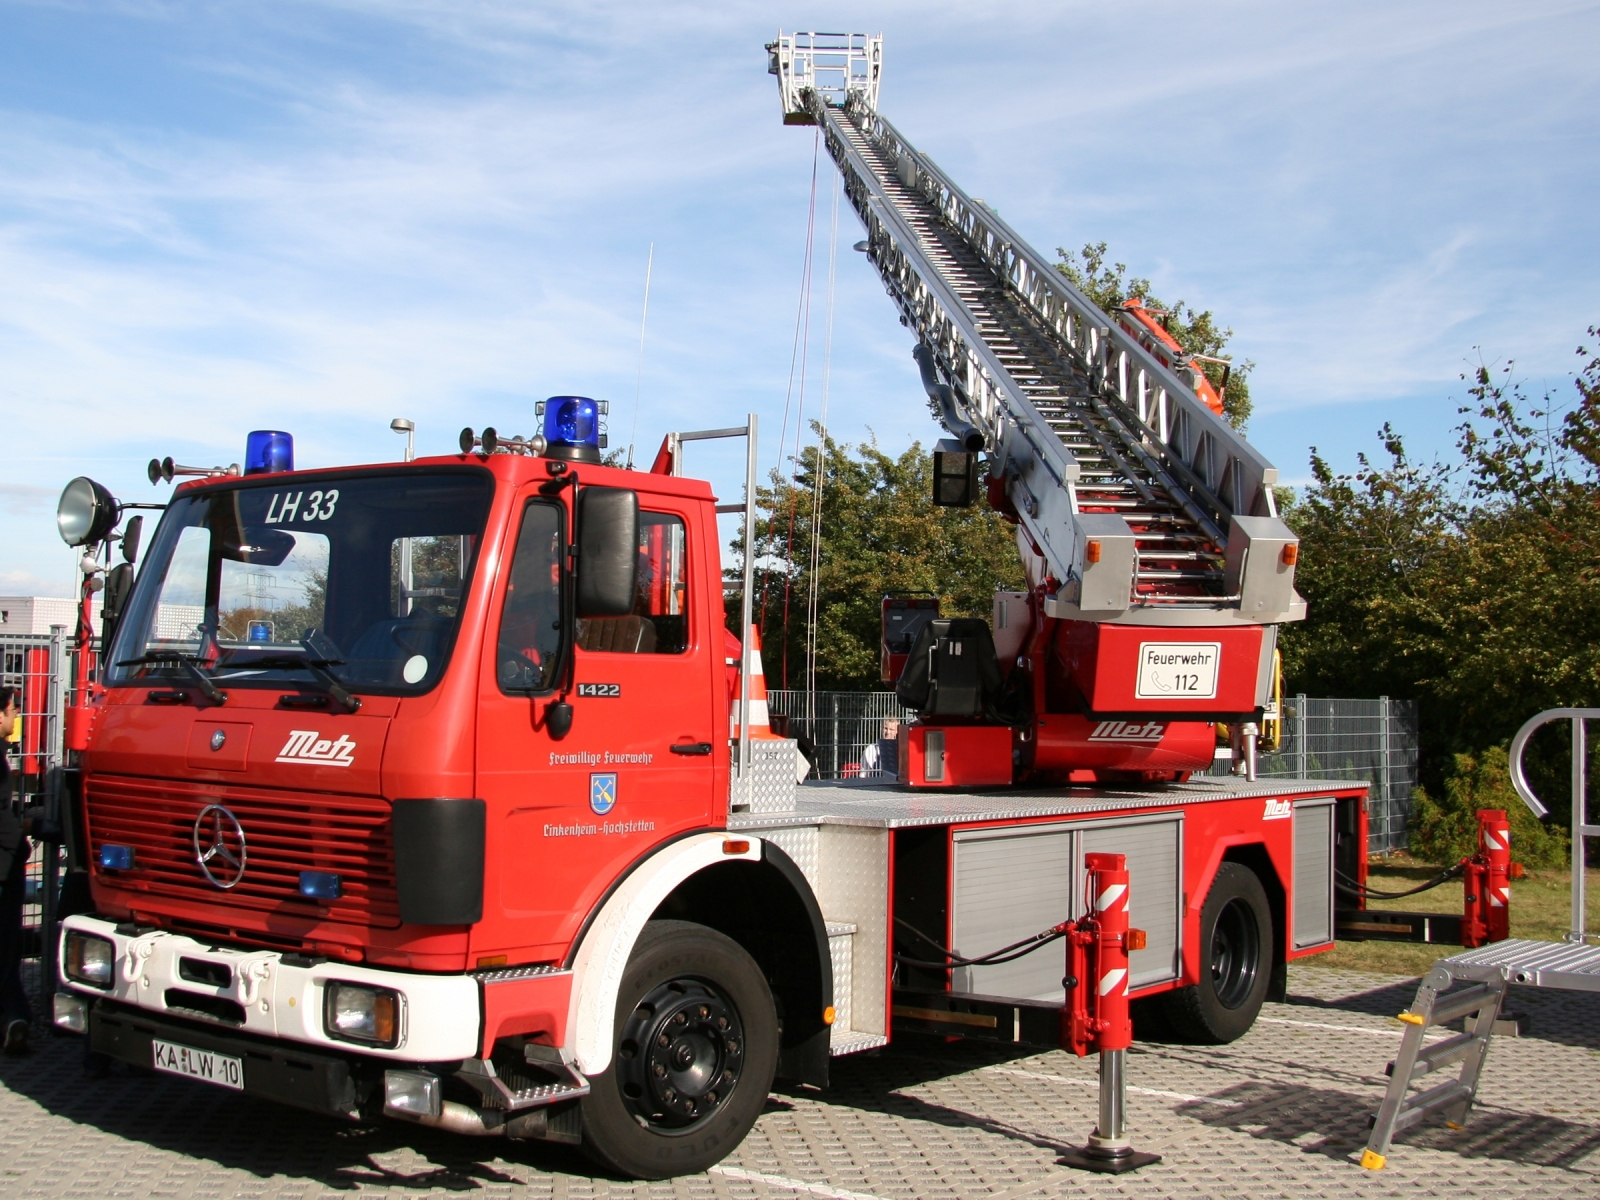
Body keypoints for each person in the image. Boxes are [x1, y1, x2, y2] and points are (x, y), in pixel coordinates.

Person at [1, 686, 35, 1055]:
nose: (15, 720)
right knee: (7, 947)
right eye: (12, 711)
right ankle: (15, 1018)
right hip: (3, 866)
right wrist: (23, 840)